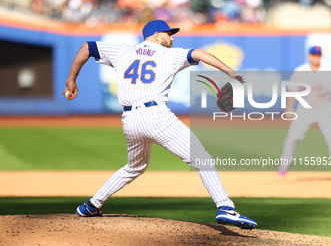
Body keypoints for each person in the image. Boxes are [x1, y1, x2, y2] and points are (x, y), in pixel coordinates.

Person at [63, 20, 257, 229]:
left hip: (130, 120)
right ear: (156, 36)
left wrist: (71, 80)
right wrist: (230, 73)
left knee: (134, 167)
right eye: (168, 34)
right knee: (203, 160)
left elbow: (87, 47)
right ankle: (225, 207)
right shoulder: (169, 55)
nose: (172, 38)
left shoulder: (123, 51)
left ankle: (92, 205)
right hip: (156, 116)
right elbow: (199, 53)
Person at [277, 46, 331, 182]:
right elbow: (293, 91)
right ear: (308, 56)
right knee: (293, 137)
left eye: (318, 55)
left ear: (320, 56)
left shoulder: (328, 71)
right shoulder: (301, 71)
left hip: (325, 108)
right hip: (305, 108)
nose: (315, 57)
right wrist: (289, 108)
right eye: (313, 54)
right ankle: (283, 167)